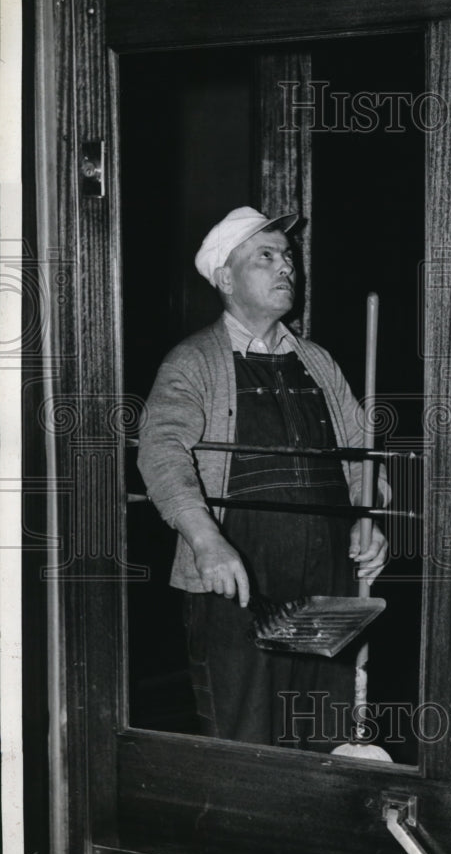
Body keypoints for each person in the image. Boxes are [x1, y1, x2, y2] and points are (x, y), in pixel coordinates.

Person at [137, 206, 389, 749]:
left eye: (288, 256)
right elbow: (160, 453)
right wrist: (205, 541)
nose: (286, 267)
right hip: (239, 590)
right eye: (266, 256)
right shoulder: (193, 362)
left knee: (326, 739)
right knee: (246, 749)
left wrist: (366, 522)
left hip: (328, 586)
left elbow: (362, 458)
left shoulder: (317, 361)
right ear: (226, 280)